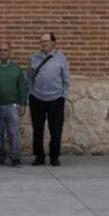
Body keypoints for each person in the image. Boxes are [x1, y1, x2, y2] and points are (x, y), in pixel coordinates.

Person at [29, 33, 71, 167]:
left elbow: (66, 79)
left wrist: (63, 95)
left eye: (46, 41)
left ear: (53, 42)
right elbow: (29, 77)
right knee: (37, 129)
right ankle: (39, 156)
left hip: (56, 99)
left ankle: (54, 156)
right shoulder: (34, 57)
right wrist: (30, 93)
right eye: (41, 41)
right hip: (37, 98)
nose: (44, 44)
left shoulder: (61, 58)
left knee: (56, 129)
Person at [0, 41, 28, 167]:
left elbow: (22, 87)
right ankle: (0, 157)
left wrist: (22, 104)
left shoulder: (16, 69)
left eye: (5, 50)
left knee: (13, 133)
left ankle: (15, 158)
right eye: (0, 50)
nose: (2, 52)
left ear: (10, 52)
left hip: (12, 106)